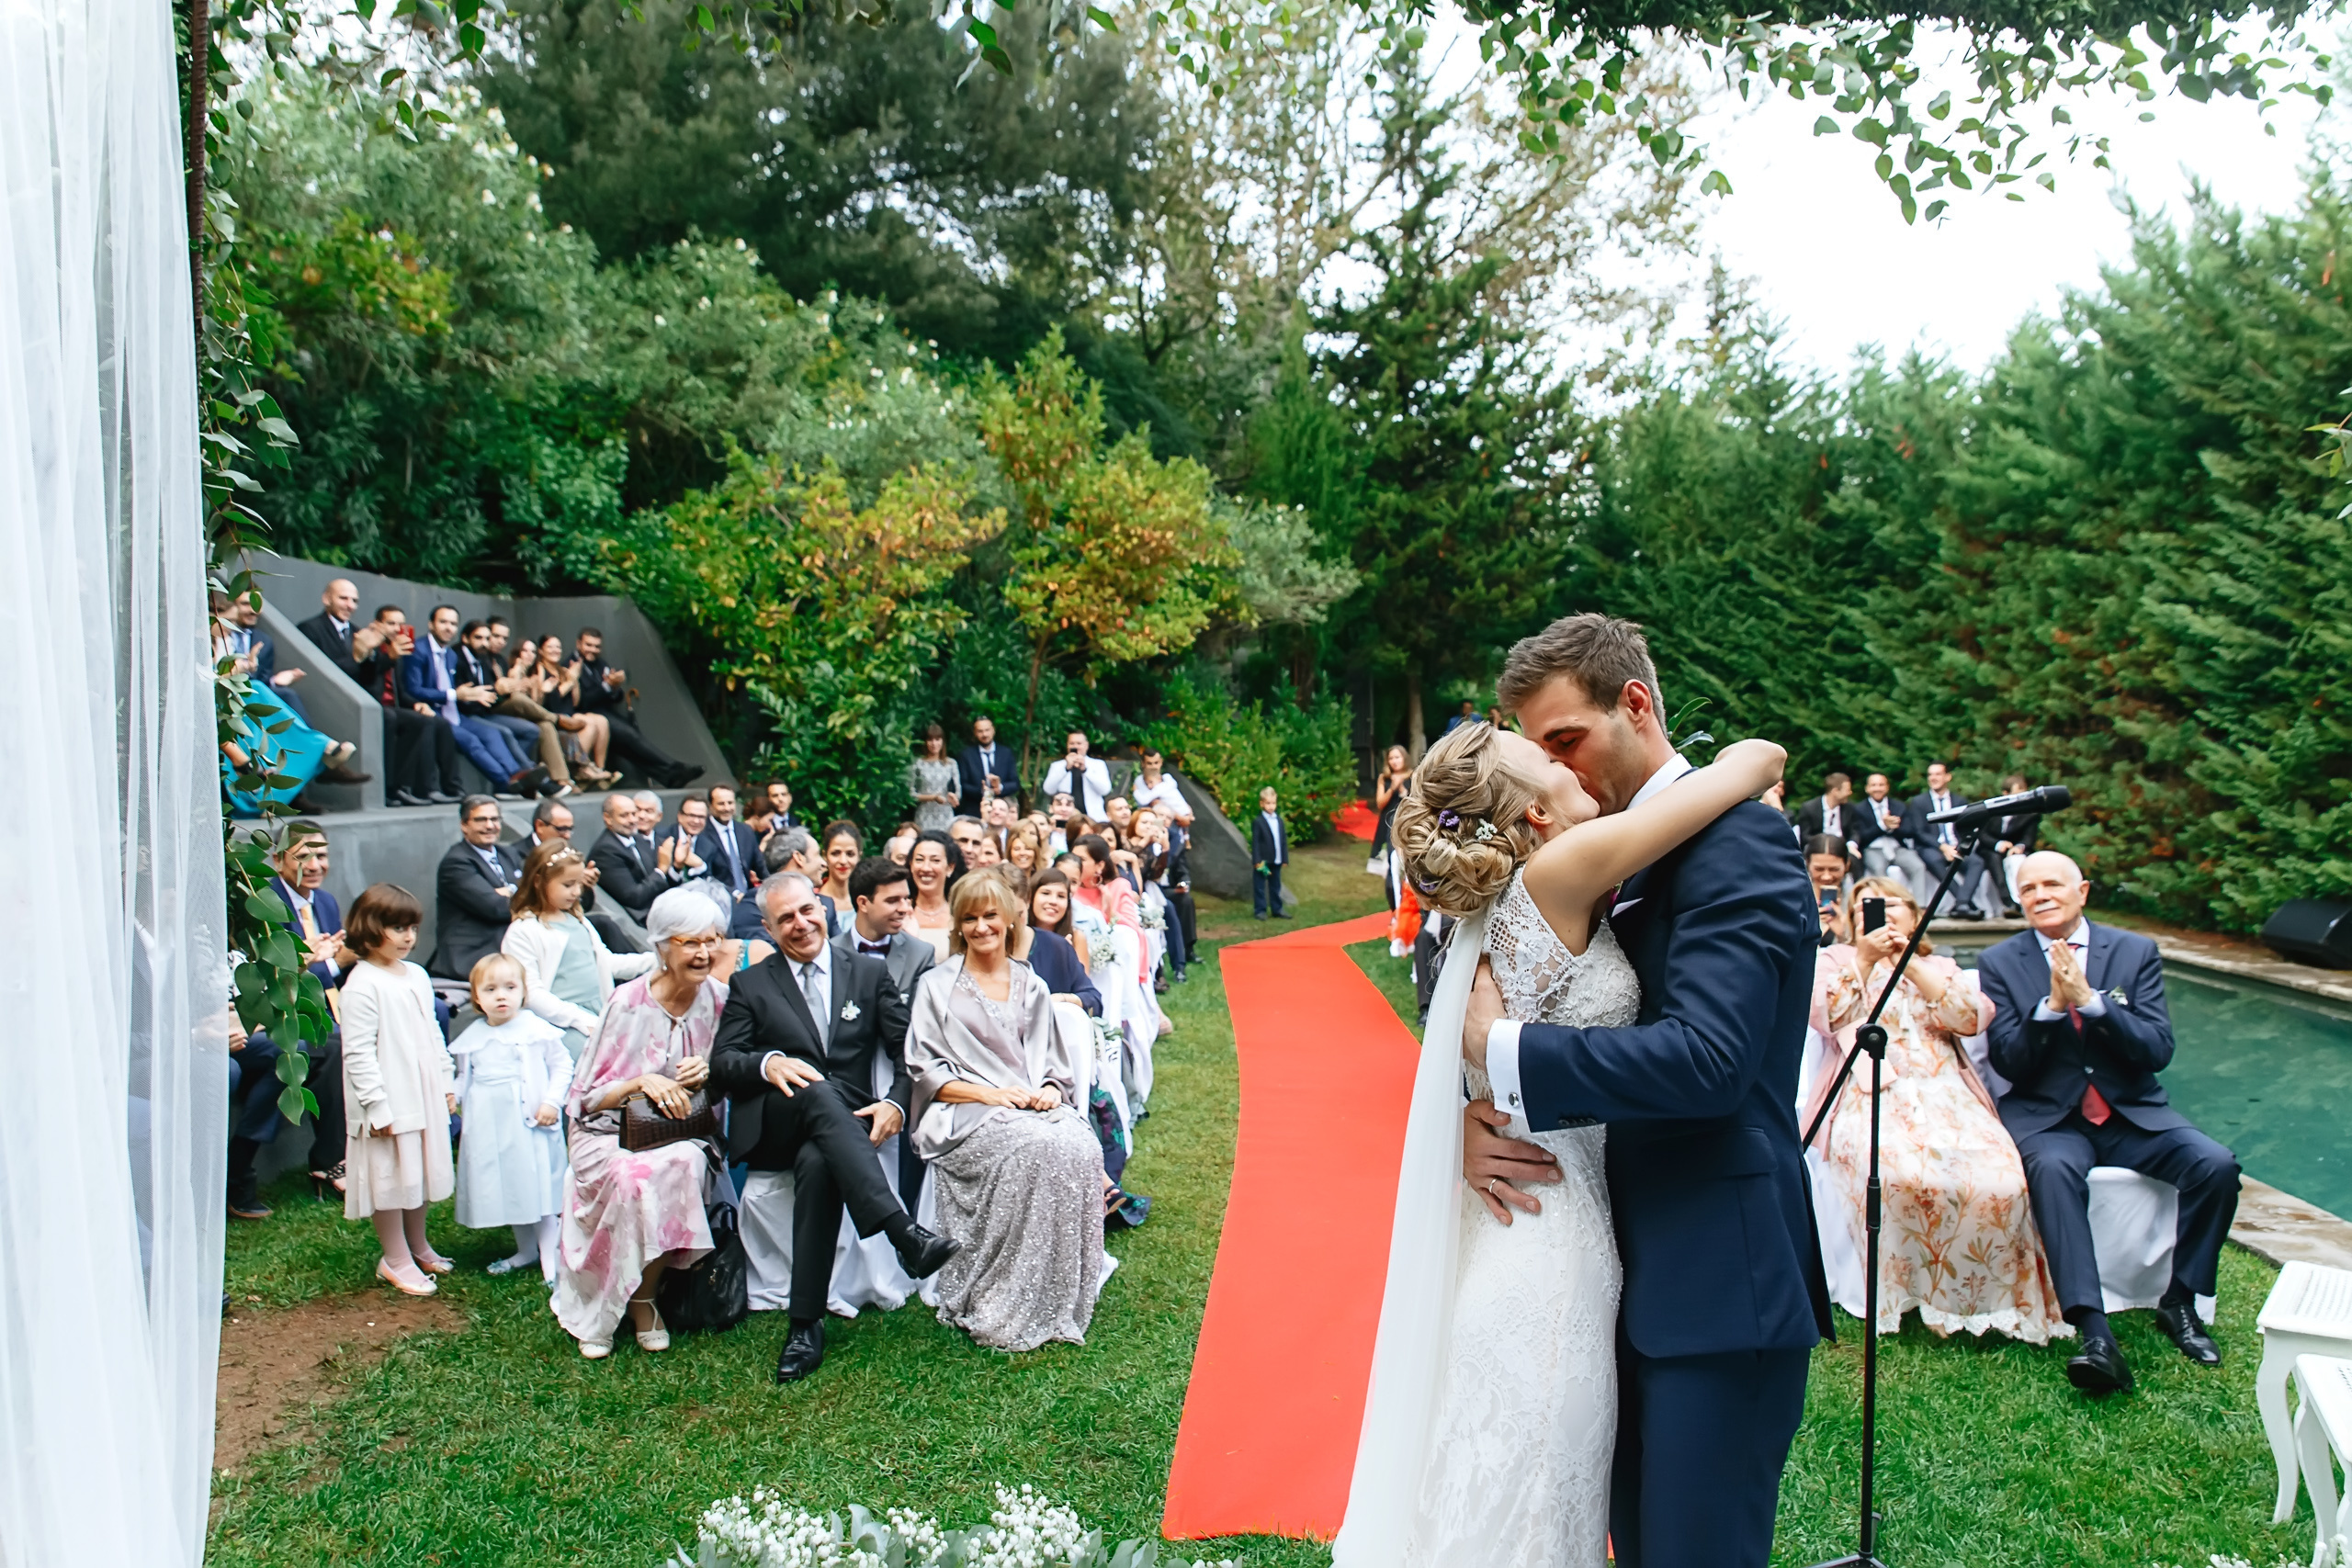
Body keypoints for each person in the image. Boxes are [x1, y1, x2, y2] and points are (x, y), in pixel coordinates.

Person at [1373, 614, 1827, 1568]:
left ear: (1635, 703)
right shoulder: (1583, 854)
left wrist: (1505, 1061)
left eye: (1565, 741)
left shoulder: (1732, 839)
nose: (1561, 771)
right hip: (1590, 1268)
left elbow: (1709, 1061)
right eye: (1537, 754)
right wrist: (1475, 1114)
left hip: (1711, 1281)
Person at [1976, 851, 2241, 1394]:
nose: (2041, 895)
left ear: (2083, 892)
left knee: (2215, 1165)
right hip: (2050, 1118)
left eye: (2053, 884)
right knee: (2051, 1171)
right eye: (2029, 889)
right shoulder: (2001, 961)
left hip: (2129, 1112)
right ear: (2019, 900)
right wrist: (2049, 1010)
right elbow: (2009, 1062)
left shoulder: (2134, 951)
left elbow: (2156, 1049)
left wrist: (2093, 1003)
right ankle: (2094, 1334)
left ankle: (2181, 1302)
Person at [708, 874, 960, 1382]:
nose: (800, 925)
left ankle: (804, 1326)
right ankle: (901, 1231)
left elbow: (906, 1051)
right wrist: (768, 1063)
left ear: (823, 907)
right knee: (817, 1088)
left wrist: (894, 1103)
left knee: (821, 1160)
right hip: (777, 1124)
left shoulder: (867, 974)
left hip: (841, 1127)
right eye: (786, 919)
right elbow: (722, 1063)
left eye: (807, 911)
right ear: (768, 928)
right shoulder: (751, 984)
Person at [1804, 877, 2064, 1344]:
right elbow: (1826, 1016)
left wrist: (1910, 965)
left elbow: (1969, 1019)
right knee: (1895, 1175)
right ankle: (1904, 1296)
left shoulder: (1938, 965)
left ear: (1915, 914)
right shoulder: (1834, 960)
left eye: (1884, 904)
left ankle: (1990, 1301)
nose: (1873, 912)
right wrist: (1865, 959)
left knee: (2004, 1179)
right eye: (1861, 907)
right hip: (1870, 1094)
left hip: (1949, 1096)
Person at [907, 869, 1107, 1350]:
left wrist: (1050, 1092)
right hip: (962, 1113)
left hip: (1026, 1104)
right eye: (970, 918)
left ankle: (1058, 1296)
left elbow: (1053, 1065)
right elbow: (923, 1068)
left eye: (990, 915)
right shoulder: (935, 985)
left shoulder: (1030, 983)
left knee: (1080, 1144)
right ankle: (1001, 1295)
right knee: (1035, 1148)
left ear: (1009, 920)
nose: (981, 927)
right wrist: (989, 1095)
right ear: (958, 925)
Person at [553, 887, 729, 1358]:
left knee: (682, 1164)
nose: (704, 953)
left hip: (682, 1133)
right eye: (690, 942)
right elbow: (587, 1099)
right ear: (662, 947)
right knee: (633, 1177)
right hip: (607, 1134)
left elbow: (731, 1080)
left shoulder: (720, 1000)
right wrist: (640, 1081)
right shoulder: (627, 1002)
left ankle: (645, 1298)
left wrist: (710, 1073)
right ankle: (607, 1306)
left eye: (712, 940)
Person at [337, 883, 458, 1299]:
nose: (408, 937)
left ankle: (418, 1245)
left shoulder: (418, 975)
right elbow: (358, 1054)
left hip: (420, 1090)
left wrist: (445, 1081)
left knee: (418, 1170)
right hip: (388, 1096)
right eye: (397, 928)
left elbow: (433, 1035)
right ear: (371, 929)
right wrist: (377, 1106)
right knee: (390, 1175)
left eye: (412, 928)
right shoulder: (362, 984)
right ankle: (395, 1257)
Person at [227, 824, 354, 1214]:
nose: (315, 865)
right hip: (278, 1012)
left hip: (322, 1003)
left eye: (322, 856)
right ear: (278, 859)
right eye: (303, 857)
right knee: (325, 1043)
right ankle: (326, 1159)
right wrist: (330, 961)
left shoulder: (327, 902)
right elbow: (275, 982)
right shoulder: (264, 909)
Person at [449, 953, 571, 1283]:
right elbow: (465, 1076)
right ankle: (526, 1250)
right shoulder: (473, 1036)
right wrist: (453, 1095)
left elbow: (562, 1066)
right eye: (490, 989)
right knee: (513, 1185)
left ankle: (552, 1256)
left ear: (523, 991)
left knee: (538, 1186)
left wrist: (551, 1101)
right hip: (490, 1123)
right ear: (477, 997)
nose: (501, 995)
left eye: (509, 987)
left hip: (528, 1121)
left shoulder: (535, 1030)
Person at [297, 579, 460, 807]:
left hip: (365, 701)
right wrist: (358, 655)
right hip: (332, 702)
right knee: (390, 716)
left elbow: (367, 675)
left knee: (422, 721)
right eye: (343, 598)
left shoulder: (357, 632)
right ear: (327, 599)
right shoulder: (310, 629)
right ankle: (388, 789)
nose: (350, 605)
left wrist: (387, 658)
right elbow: (324, 674)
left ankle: (397, 788)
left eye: (354, 600)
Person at [502, 840, 656, 1058]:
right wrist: (579, 1019)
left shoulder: (579, 921)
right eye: (567, 885)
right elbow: (531, 993)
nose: (576, 892)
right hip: (557, 1023)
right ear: (538, 881)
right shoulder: (523, 931)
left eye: (579, 884)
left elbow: (606, 962)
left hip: (599, 1012)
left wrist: (655, 960)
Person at [397, 604, 548, 798]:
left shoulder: (450, 655)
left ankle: (518, 776)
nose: (448, 628)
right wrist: (455, 695)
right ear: (431, 625)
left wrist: (471, 694)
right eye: (443, 622)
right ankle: (506, 783)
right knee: (472, 741)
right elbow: (413, 689)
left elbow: (461, 693)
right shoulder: (418, 650)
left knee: (492, 733)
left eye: (453, 623)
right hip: (433, 714)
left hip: (455, 714)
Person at [571, 626, 699, 788]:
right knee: (631, 736)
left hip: (605, 713)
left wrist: (615, 687)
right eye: (589, 645)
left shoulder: (600, 663)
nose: (593, 650)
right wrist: (607, 686)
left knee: (631, 747)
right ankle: (674, 766)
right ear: (578, 644)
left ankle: (670, 777)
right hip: (588, 715)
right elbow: (581, 701)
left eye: (597, 646)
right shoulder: (571, 664)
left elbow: (614, 698)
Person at [458, 620, 571, 795]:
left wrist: (544, 688)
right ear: (465, 638)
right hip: (477, 713)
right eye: (494, 636)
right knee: (506, 728)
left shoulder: (495, 660)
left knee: (535, 729)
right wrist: (503, 688)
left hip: (491, 711)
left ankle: (559, 778)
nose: (496, 642)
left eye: (503, 638)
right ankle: (530, 778)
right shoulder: (469, 657)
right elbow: (488, 692)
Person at [428, 796, 523, 980]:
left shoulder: (508, 853)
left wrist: (508, 892)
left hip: (508, 942)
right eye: (481, 820)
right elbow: (496, 908)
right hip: (474, 953)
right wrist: (515, 892)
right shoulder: (456, 862)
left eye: (495, 819)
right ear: (464, 825)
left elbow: (528, 892)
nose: (490, 826)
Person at [1902, 761, 1985, 917]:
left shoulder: (1959, 801)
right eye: (1930, 775)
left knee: (1977, 862)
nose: (1933, 778)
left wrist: (1958, 848)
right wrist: (1943, 847)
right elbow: (1919, 832)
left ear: (1947, 777)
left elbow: (1966, 829)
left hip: (1956, 846)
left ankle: (1961, 903)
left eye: (1937, 774)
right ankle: (1965, 903)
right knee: (1935, 860)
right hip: (1931, 848)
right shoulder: (1918, 802)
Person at [1023, 870, 1102, 1016]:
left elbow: (1086, 992)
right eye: (1045, 893)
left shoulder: (1073, 939)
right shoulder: (1020, 939)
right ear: (1031, 898)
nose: (1053, 901)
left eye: (1061, 896)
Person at [589, 792, 665, 924]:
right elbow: (634, 897)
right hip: (637, 919)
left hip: (658, 907)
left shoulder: (637, 838)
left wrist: (676, 866)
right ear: (608, 818)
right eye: (624, 815)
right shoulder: (606, 850)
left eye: (633, 814)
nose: (632, 820)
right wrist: (662, 869)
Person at [1856, 771, 1924, 894]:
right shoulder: (1859, 809)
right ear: (1867, 788)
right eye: (1874, 785)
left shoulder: (1899, 806)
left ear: (1887, 787)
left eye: (1881, 785)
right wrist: (1882, 826)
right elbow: (1861, 837)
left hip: (1897, 847)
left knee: (1918, 866)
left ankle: (1921, 907)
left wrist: (1894, 827)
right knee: (1879, 868)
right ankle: (1883, 904)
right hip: (1873, 849)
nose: (1878, 788)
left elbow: (1909, 831)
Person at [1986, 772, 2039, 913]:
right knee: (1994, 861)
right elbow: (1982, 835)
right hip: (1991, 849)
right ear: (2005, 793)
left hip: (2016, 850)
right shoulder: (1992, 809)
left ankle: (2020, 903)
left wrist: (2019, 847)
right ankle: (2007, 902)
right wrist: (1998, 844)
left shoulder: (2030, 813)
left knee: (2017, 861)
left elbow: (2029, 837)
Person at [905, 830, 961, 958]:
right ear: (911, 864)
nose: (926, 868)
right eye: (919, 860)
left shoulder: (960, 914)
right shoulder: (901, 911)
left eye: (935, 860)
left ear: (950, 867)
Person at [1040, 731, 1113, 818]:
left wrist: (1085, 770)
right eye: (1072, 743)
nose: (1075, 747)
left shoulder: (1098, 765)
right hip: (1064, 817)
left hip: (1093, 817)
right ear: (1067, 746)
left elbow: (1105, 790)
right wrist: (1065, 768)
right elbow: (1048, 790)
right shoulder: (1057, 766)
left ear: (1086, 745)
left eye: (1079, 743)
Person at [1792, 771, 1861, 861]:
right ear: (1835, 791)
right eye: (1847, 790)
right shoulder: (1809, 808)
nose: (1850, 793)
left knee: (1855, 858)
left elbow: (1855, 831)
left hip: (1844, 849)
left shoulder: (1850, 808)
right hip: (1817, 848)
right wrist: (1826, 843)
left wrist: (1851, 845)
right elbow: (1805, 836)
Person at [1372, 743, 1412, 895]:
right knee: (1391, 862)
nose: (1394, 761)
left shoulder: (1413, 775)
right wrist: (1392, 788)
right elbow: (1380, 803)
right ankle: (1395, 903)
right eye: (1391, 758)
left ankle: (1410, 903)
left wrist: (1402, 789)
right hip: (1389, 823)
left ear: (1404, 758)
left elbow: (1414, 800)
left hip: (1407, 823)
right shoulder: (1384, 778)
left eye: (1397, 757)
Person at [906, 724, 960, 833]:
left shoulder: (951, 763)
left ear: (943, 741)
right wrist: (932, 797)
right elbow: (910, 794)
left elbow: (958, 792)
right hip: (924, 816)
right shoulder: (918, 764)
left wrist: (953, 797)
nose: (934, 744)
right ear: (925, 742)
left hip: (945, 815)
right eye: (930, 740)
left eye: (937, 739)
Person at [1804, 833, 1852, 945]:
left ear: (1847, 865)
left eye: (1834, 869)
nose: (1827, 876)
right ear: (1807, 864)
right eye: (1819, 869)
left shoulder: (1856, 899)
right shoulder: (1795, 898)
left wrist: (1843, 934)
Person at [1250, 785, 1289, 920]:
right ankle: (1260, 910)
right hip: (1263, 861)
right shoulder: (1258, 821)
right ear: (1262, 804)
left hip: (1276, 859)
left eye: (1273, 803)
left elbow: (1283, 840)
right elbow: (1255, 842)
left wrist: (1284, 858)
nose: (1271, 806)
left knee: (1275, 885)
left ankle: (1277, 909)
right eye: (1268, 803)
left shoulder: (1279, 820)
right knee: (1260, 885)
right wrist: (1256, 860)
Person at [818, 821, 863, 909]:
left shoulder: (868, 899)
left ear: (859, 857)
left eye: (850, 854)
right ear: (825, 856)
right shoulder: (814, 900)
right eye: (835, 853)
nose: (843, 861)